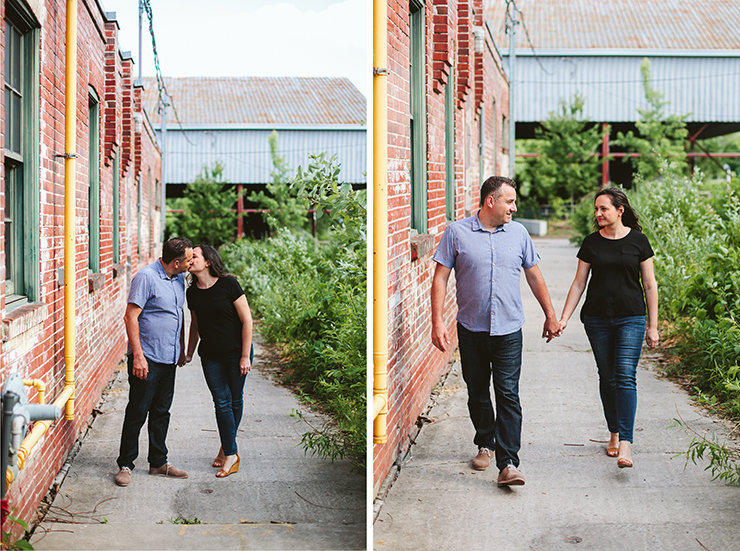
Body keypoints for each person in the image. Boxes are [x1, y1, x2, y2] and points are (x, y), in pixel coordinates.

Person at [431, 176, 561, 486]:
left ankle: (508, 463)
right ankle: (485, 443)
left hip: (508, 330)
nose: (514, 208)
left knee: (507, 394)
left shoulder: (518, 233)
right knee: (477, 393)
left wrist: (550, 315)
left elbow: (533, 275)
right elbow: (440, 278)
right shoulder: (456, 233)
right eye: (510, 201)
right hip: (472, 329)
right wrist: (437, 322)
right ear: (491, 201)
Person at [558, 187, 659, 468]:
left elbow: (650, 285)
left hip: (631, 317)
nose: (598, 213)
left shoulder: (639, 242)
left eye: (603, 208)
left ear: (620, 210)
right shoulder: (591, 243)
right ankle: (613, 431)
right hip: (597, 319)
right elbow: (579, 283)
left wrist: (653, 326)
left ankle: (625, 442)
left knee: (625, 376)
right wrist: (564, 318)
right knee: (608, 377)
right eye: (596, 209)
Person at [115, 237, 194, 487]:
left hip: (169, 358)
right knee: (137, 411)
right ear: (176, 262)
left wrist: (181, 347)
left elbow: (177, 313)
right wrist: (138, 355)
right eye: (189, 259)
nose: (191, 263)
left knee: (161, 412)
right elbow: (131, 317)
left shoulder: (179, 278)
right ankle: (126, 464)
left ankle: (158, 463)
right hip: (146, 358)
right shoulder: (146, 277)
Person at [184, 244, 254, 478]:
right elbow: (195, 325)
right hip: (211, 355)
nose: (189, 259)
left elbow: (247, 321)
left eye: (194, 255)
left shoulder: (229, 285)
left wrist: (245, 356)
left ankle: (228, 449)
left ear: (208, 262)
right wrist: (189, 352)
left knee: (235, 400)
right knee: (221, 402)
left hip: (237, 353)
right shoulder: (192, 292)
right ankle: (231, 451)